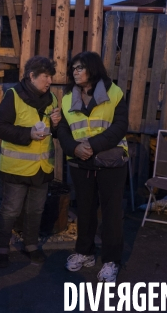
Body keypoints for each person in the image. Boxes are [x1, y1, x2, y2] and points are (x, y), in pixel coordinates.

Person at [56, 51, 129, 283]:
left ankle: (111, 260)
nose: (75, 72)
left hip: (111, 161)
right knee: (84, 209)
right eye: (73, 68)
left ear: (93, 68)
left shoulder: (114, 92)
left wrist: (91, 145)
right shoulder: (67, 97)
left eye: (80, 68)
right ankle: (85, 253)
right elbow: (63, 130)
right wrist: (74, 149)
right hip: (81, 162)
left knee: (111, 212)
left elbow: (120, 126)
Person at [0, 56, 61, 268]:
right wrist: (27, 134)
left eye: (51, 77)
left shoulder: (53, 100)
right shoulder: (13, 96)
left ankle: (31, 245)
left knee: (36, 210)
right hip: (17, 168)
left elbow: (55, 132)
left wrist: (57, 124)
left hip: (42, 167)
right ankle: (0, 247)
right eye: (45, 77)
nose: (49, 81)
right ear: (31, 76)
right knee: (11, 210)